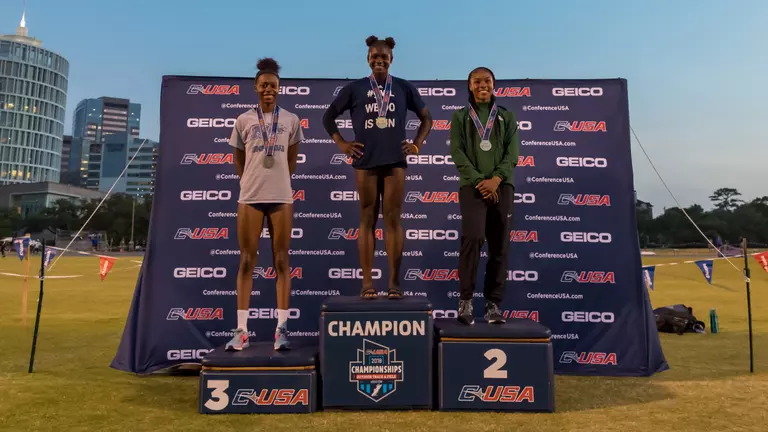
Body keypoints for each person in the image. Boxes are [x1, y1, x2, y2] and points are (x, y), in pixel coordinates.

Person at [322, 35, 432, 299]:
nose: (379, 60)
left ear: (391, 59)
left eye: (384, 57)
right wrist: (341, 143)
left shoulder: (403, 87)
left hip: (395, 161)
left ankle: (394, 284)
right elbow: (328, 116)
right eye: (375, 56)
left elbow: (427, 118)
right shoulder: (355, 88)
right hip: (365, 161)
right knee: (367, 219)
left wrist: (417, 144)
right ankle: (367, 284)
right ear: (368, 59)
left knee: (393, 220)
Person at [225, 58, 304, 351]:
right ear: (256, 88)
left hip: (282, 197)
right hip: (250, 197)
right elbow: (239, 161)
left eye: (273, 85)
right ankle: (242, 331)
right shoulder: (243, 120)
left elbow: (291, 160)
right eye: (263, 85)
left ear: (279, 88)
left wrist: (278, 181)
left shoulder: (291, 120)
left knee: (282, 261)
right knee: (247, 261)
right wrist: (251, 181)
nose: (268, 89)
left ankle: (281, 330)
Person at [449, 66, 520, 325]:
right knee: (474, 238)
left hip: (502, 186)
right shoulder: (460, 117)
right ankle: (466, 301)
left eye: (487, 81)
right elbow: (457, 153)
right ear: (469, 86)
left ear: (493, 84)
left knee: (499, 246)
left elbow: (512, 154)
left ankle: (493, 305)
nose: (482, 85)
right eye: (477, 81)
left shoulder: (506, 116)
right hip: (473, 187)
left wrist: (496, 180)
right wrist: (480, 181)